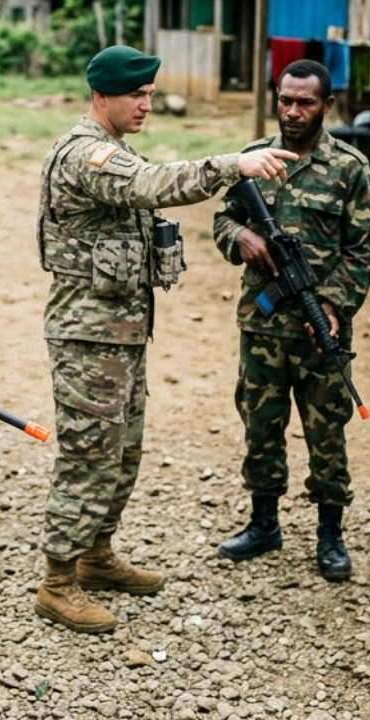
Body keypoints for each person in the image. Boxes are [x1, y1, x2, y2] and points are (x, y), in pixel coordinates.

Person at [35, 45, 295, 633]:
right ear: (101, 97)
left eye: (151, 94)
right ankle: (56, 582)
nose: (147, 104)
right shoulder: (87, 155)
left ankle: (96, 557)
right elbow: (154, 184)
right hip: (87, 338)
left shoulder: (116, 147)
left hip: (121, 334)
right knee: (88, 458)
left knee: (123, 454)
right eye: (137, 95)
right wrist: (234, 165)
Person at [211, 60, 370, 581]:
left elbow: (363, 252)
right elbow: (223, 215)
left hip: (320, 330)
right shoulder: (253, 160)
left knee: (326, 431)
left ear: (328, 105)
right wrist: (239, 238)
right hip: (261, 327)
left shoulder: (350, 168)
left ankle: (330, 534)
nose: (292, 111)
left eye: (305, 102)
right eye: (285, 99)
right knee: (261, 426)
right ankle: (264, 523)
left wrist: (331, 303)